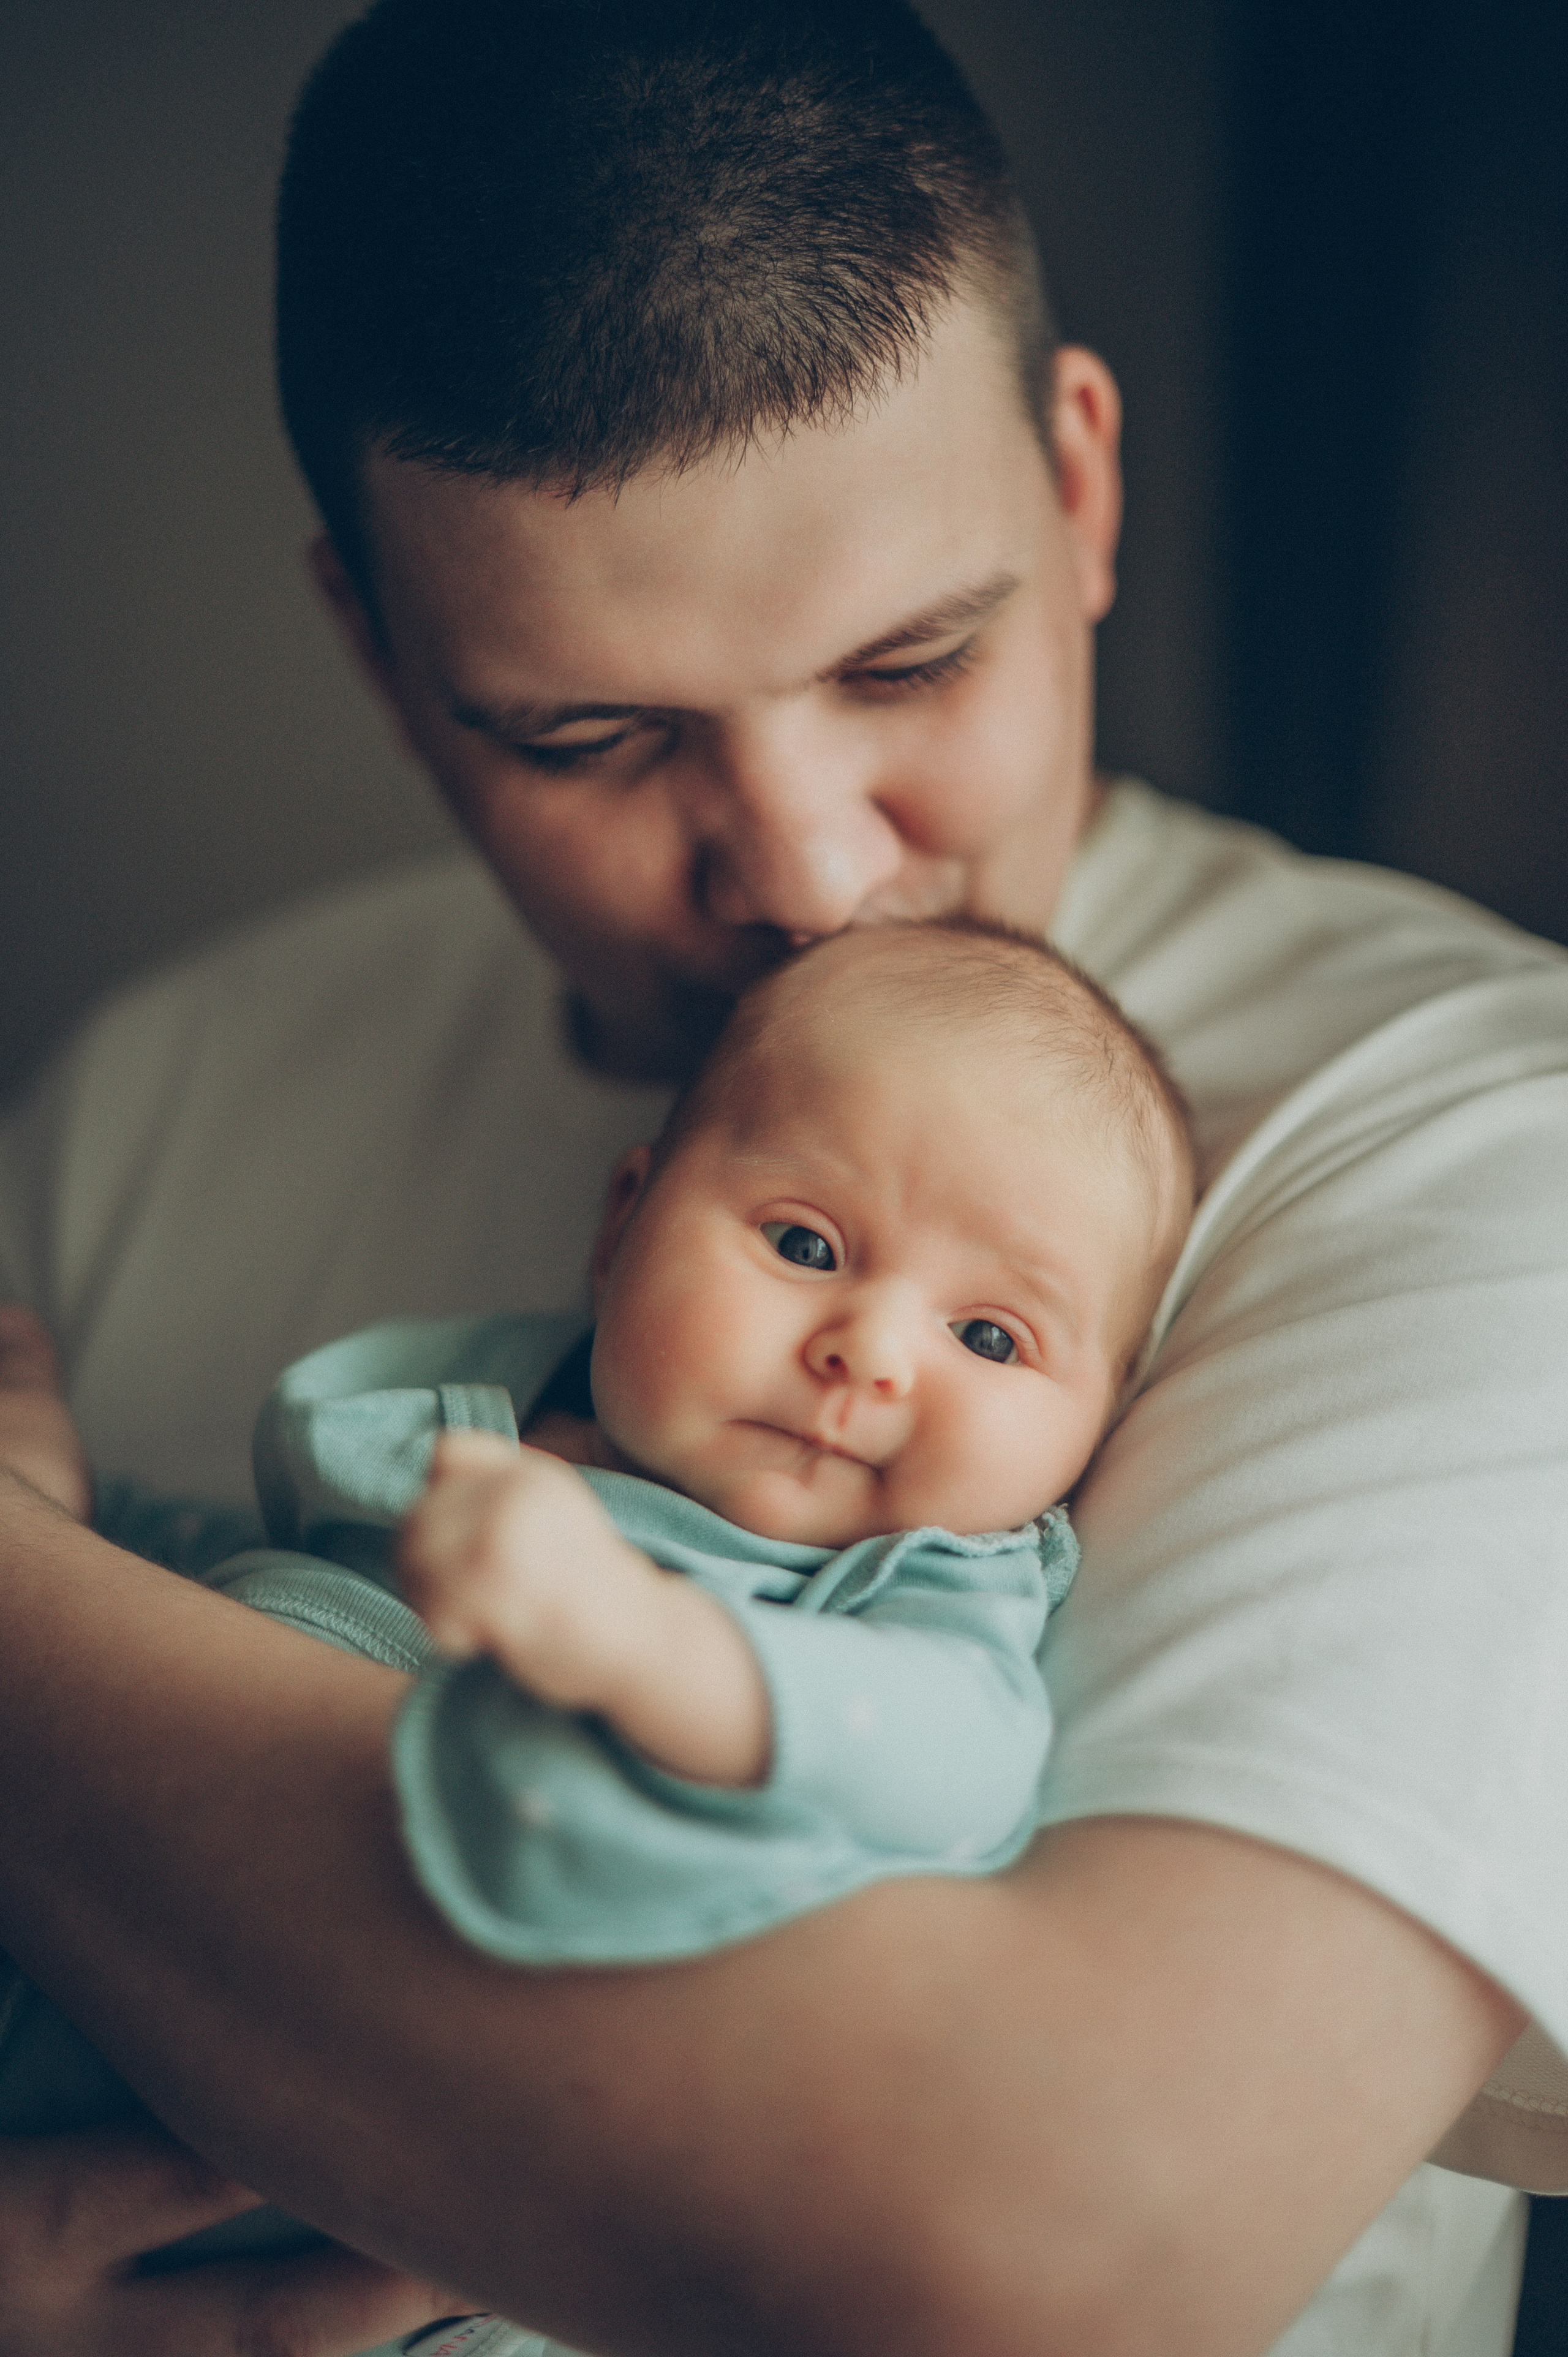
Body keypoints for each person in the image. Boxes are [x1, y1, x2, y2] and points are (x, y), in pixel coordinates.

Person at [0, 1, 1564, 2351]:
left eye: (913, 663)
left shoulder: (1477, 1134)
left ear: (1087, 484)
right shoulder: (157, 1097)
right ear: (381, 652)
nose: (812, 876)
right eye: (590, 734)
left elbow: (1042, 2255)